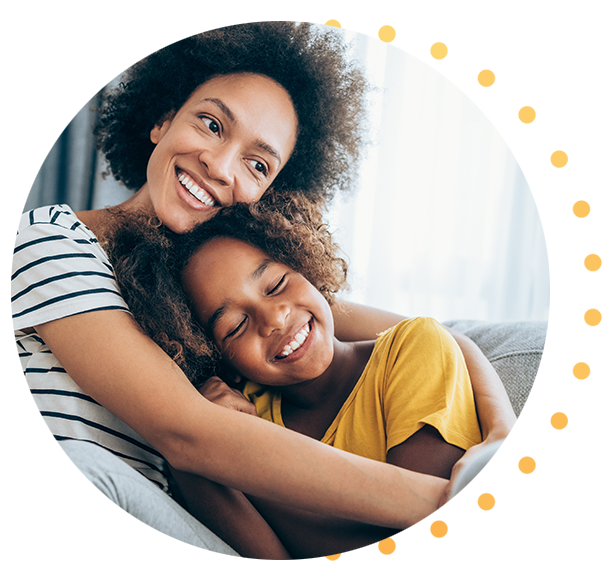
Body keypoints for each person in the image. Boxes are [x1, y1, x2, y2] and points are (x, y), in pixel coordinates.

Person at [11, 21, 515, 557]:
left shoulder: (212, 284)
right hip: (100, 510)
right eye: (210, 124)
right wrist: (452, 502)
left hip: (185, 535)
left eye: (257, 164)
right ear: (161, 119)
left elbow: (437, 335)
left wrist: (503, 434)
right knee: (87, 472)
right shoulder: (51, 241)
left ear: (267, 192)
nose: (220, 165)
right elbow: (185, 433)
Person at [106, 198, 484, 558]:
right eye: (236, 326)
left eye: (275, 285)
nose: (273, 320)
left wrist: (237, 466)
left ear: (306, 264)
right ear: (216, 356)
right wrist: (207, 449)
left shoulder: (415, 349)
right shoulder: (236, 419)